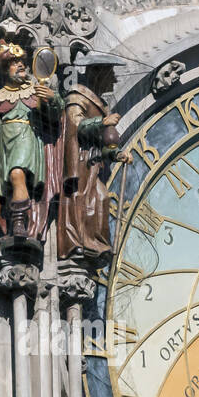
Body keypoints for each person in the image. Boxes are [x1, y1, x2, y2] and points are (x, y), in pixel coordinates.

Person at [0, 41, 64, 242]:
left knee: (17, 174)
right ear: (6, 70)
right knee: (13, 181)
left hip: (27, 137)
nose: (21, 66)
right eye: (15, 63)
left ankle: (19, 222)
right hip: (5, 143)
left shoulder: (35, 90)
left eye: (22, 62)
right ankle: (14, 219)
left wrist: (52, 99)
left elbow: (53, 118)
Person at [57, 58, 123, 262]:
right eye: (111, 73)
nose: (114, 79)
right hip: (79, 159)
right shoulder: (77, 97)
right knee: (82, 197)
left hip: (93, 160)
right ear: (99, 74)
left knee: (101, 197)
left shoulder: (101, 104)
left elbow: (104, 142)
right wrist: (102, 122)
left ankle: (95, 243)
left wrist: (116, 154)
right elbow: (75, 125)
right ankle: (76, 241)